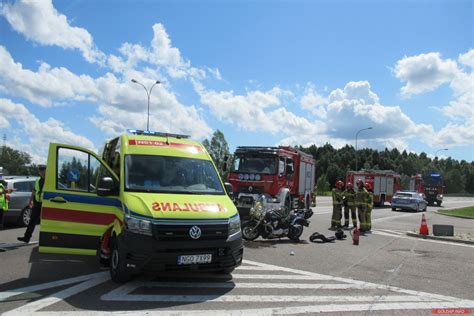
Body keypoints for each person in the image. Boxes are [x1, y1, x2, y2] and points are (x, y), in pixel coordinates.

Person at [18, 164, 46, 243]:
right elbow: (34, 190)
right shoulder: (37, 180)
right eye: (40, 171)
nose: (40, 172)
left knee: (44, 222)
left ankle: (45, 239)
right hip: (37, 203)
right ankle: (26, 238)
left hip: (46, 203)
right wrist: (31, 200)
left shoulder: (49, 181)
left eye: (42, 170)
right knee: (32, 220)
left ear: (45, 171)